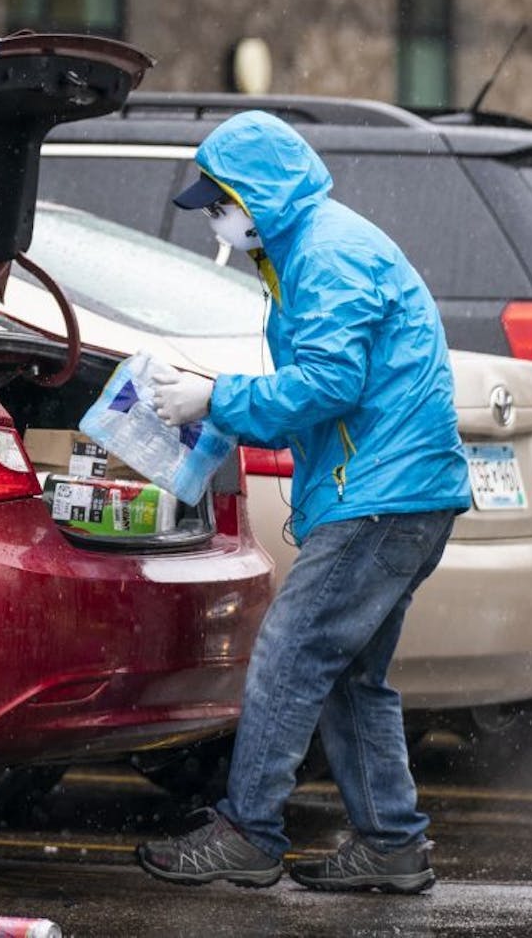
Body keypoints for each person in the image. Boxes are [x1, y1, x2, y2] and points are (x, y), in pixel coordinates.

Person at [135, 110, 471, 894]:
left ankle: (247, 833)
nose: (214, 218)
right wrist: (222, 407)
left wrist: (215, 399)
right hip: (397, 492)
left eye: (218, 202)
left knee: (289, 653)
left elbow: (329, 382)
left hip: (382, 497)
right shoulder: (307, 245)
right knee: (351, 674)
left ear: (254, 195)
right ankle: (391, 844)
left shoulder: (325, 253)